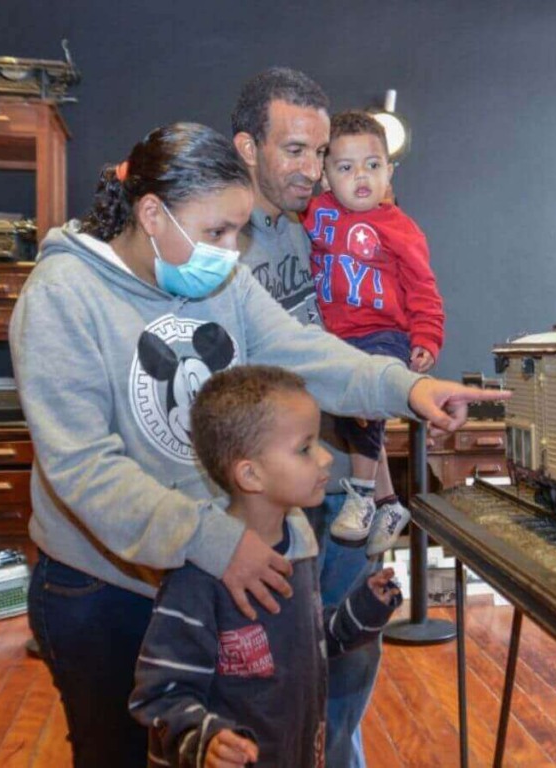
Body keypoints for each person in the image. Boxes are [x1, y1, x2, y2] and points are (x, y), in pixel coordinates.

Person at [11, 121, 505, 767]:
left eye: (239, 231)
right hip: (104, 587)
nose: (231, 249)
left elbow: (307, 354)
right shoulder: (60, 296)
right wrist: (214, 543)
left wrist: (405, 389)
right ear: (153, 213)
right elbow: (84, 468)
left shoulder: (218, 279)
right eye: (216, 232)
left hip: (212, 569)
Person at [129, 365, 401, 768]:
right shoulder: (197, 576)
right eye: (305, 447)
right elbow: (159, 693)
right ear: (250, 474)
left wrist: (359, 611)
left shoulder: (301, 544)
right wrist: (207, 741)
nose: (326, 457)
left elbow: (306, 642)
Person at [231, 67, 384, 767]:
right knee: (272, 678)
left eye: (320, 153)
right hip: (261, 502)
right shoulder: (213, 243)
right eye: (294, 150)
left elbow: (323, 354)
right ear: (246, 148)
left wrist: (368, 461)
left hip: (330, 480)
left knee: (352, 649)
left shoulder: (299, 234)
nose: (313, 170)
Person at [305, 110, 445, 556]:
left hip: (384, 334)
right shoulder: (317, 212)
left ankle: (363, 495)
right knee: (354, 419)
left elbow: (424, 288)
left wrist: (426, 338)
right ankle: (389, 502)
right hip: (337, 338)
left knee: (362, 402)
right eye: (345, 168)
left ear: (389, 172)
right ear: (325, 177)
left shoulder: (400, 228)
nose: (360, 176)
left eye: (372, 165)